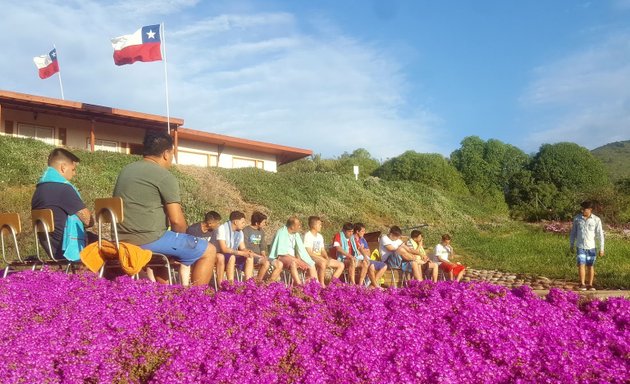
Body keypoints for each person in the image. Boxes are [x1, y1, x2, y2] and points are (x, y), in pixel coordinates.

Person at [113, 131, 216, 286]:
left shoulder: (126, 171)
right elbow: (177, 221)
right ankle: (196, 301)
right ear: (166, 154)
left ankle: (164, 296)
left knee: (166, 253)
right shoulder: (163, 175)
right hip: (149, 239)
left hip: (120, 238)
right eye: (173, 154)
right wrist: (181, 241)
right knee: (209, 251)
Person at [31, 148, 94, 261]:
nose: (75, 173)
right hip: (66, 248)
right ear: (63, 167)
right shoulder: (64, 189)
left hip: (50, 246)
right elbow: (88, 221)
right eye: (73, 169)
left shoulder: (38, 190)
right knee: (108, 247)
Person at [214, 211, 266, 284]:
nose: (244, 224)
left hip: (232, 253)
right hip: (221, 253)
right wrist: (241, 253)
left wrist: (248, 252)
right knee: (232, 257)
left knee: (249, 257)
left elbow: (242, 248)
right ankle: (230, 284)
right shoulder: (222, 228)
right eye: (242, 222)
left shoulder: (240, 232)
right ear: (235, 222)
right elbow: (224, 249)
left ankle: (249, 283)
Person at [268, 216, 316, 285]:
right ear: (292, 227)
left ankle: (315, 285)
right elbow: (282, 253)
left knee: (310, 263)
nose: (299, 227)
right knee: (293, 263)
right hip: (281, 257)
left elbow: (300, 250)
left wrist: (301, 260)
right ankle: (299, 285)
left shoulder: (296, 234)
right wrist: (298, 261)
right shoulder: (281, 233)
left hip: (292, 257)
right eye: (298, 225)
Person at [570, 200, 605, 291]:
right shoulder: (577, 219)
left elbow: (600, 235)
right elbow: (573, 232)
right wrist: (571, 244)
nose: (583, 211)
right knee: (581, 264)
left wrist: (601, 249)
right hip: (580, 246)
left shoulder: (596, 220)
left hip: (591, 247)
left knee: (590, 265)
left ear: (590, 209)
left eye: (585, 209)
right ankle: (582, 284)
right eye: (582, 209)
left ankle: (590, 284)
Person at [303, 216, 344, 288]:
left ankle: (331, 284)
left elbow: (322, 250)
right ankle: (321, 284)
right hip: (312, 258)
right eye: (319, 224)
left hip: (321, 257)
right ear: (314, 225)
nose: (321, 226)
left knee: (341, 265)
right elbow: (309, 253)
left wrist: (326, 257)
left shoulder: (320, 236)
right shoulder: (308, 235)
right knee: (323, 263)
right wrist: (322, 259)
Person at [186, 211, 222, 286]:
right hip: (193, 254)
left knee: (220, 257)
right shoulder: (193, 229)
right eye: (217, 223)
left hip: (207, 255)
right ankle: (199, 285)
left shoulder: (213, 231)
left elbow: (214, 247)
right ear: (210, 223)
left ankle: (220, 285)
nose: (219, 225)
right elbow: (189, 246)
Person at [243, 211, 278, 282]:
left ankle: (270, 283)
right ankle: (258, 282)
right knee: (266, 263)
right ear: (257, 223)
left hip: (260, 256)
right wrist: (259, 257)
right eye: (263, 222)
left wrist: (263, 255)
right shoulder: (246, 231)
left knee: (279, 263)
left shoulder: (261, 231)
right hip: (251, 256)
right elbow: (245, 248)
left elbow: (262, 246)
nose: (265, 224)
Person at [354, 223, 388, 288]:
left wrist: (362, 250)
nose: (364, 233)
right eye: (362, 231)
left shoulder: (363, 239)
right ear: (357, 231)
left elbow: (369, 252)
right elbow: (356, 252)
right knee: (371, 266)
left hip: (367, 258)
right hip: (360, 259)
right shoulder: (353, 239)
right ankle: (374, 285)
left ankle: (373, 285)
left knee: (384, 266)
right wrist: (363, 250)